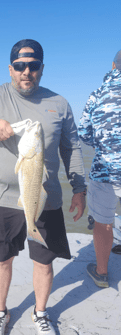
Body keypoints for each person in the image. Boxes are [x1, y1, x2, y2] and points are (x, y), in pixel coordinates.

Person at [0, 39, 86, 335]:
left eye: (33, 66)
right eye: (20, 66)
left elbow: (72, 148)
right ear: (10, 69)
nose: (27, 72)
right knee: (2, 259)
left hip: (45, 199)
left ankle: (40, 313)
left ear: (42, 69)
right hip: (2, 198)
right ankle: (0, 312)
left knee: (44, 262)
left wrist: (79, 188)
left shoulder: (59, 103)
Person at [78, 50, 121, 288]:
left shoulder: (97, 95)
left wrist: (106, 147)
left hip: (104, 170)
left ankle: (101, 273)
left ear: (113, 66)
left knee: (104, 221)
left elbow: (84, 132)